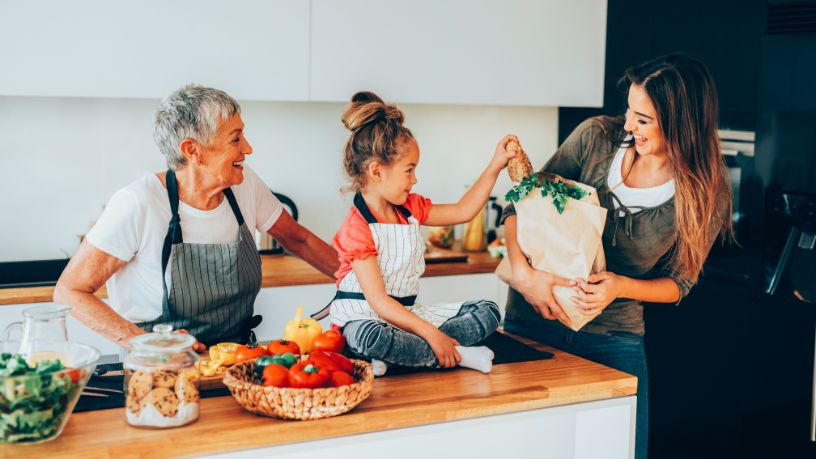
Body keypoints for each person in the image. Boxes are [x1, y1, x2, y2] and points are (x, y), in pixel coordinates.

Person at [501, 54, 732, 459]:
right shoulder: (594, 139)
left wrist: (621, 286)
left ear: (681, 124)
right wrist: (523, 275)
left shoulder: (704, 191)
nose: (628, 125)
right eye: (629, 111)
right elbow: (521, 202)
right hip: (533, 319)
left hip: (613, 340)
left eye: (642, 120)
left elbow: (680, 283)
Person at [54, 85, 339, 356]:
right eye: (235, 138)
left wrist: (363, 286)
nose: (248, 148)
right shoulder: (139, 203)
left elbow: (298, 240)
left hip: (236, 360)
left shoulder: (245, 184)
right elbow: (69, 292)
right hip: (161, 365)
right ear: (192, 150)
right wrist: (151, 346)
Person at [314, 91, 515, 376]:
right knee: (368, 337)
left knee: (488, 311)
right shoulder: (357, 228)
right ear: (376, 171)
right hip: (367, 318)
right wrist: (433, 335)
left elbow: (462, 211)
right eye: (409, 170)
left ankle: (401, 356)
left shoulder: (410, 208)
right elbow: (380, 303)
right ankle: (456, 355)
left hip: (408, 319)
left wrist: (496, 164)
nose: (415, 179)